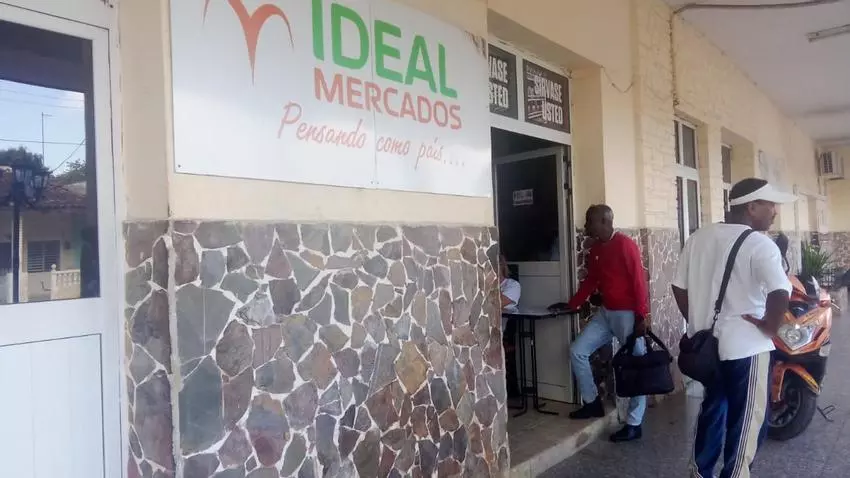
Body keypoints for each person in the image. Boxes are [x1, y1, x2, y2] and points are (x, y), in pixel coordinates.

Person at [672, 178, 795, 478]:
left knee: (713, 408)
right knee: (747, 420)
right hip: (747, 348)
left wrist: (698, 322)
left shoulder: (698, 238)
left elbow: (678, 287)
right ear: (751, 207)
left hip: (709, 349)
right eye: (770, 204)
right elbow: (781, 291)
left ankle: (699, 472)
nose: (775, 211)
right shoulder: (760, 244)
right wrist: (769, 327)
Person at [565, 205, 650, 443]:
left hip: (628, 315)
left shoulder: (625, 245)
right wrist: (571, 304)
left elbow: (638, 281)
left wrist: (641, 315)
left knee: (636, 365)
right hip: (606, 313)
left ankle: (634, 423)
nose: (586, 226)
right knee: (577, 351)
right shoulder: (596, 249)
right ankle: (592, 403)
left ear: (605, 221)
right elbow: (591, 280)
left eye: (589, 221)